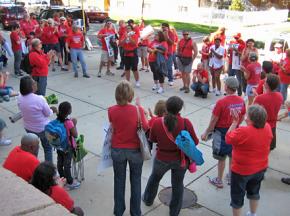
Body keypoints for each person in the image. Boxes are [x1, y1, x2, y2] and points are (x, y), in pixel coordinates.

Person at [142, 96, 199, 216]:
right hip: (180, 160)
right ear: (180, 109)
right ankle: (174, 211)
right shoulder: (185, 123)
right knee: (178, 185)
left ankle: (148, 199)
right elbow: (195, 141)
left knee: (154, 179)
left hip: (162, 158)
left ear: (166, 108)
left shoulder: (158, 122)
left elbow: (152, 139)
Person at [108, 80, 149, 216]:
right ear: (130, 95)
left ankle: (118, 210)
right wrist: (142, 112)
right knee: (136, 180)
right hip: (135, 150)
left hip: (118, 149)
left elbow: (114, 125)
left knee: (119, 181)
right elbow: (146, 127)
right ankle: (135, 212)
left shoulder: (111, 110)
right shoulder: (138, 110)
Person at [225, 104, 272, 216]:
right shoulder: (267, 127)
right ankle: (252, 213)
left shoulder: (243, 131)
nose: (245, 116)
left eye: (247, 115)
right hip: (260, 168)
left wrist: (234, 122)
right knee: (254, 192)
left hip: (241, 171)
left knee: (237, 197)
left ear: (250, 119)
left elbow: (228, 138)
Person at [201, 77, 246, 188]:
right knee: (232, 155)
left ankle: (219, 180)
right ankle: (230, 177)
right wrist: (236, 125)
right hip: (235, 131)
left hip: (221, 133)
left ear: (226, 87)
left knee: (221, 158)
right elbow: (242, 116)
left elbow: (214, 120)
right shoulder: (241, 101)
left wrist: (206, 132)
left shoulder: (221, 102)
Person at [18, 76, 56, 162]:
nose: (36, 84)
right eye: (34, 83)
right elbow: (48, 113)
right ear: (31, 87)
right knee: (48, 148)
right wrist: (52, 110)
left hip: (28, 128)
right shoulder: (40, 99)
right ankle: (48, 169)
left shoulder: (20, 98)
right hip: (43, 129)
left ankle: (33, 166)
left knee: (33, 149)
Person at [56, 102, 81, 190]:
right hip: (67, 146)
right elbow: (75, 135)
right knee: (67, 164)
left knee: (60, 162)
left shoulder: (57, 120)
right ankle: (69, 182)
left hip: (59, 146)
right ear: (69, 111)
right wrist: (74, 124)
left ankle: (62, 178)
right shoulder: (69, 122)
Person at [254, 74, 283, 150]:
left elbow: (253, 111)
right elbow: (270, 101)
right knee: (270, 147)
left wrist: (256, 96)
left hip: (261, 125)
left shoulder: (259, 98)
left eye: (265, 81)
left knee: (259, 148)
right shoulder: (280, 96)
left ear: (266, 84)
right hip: (273, 125)